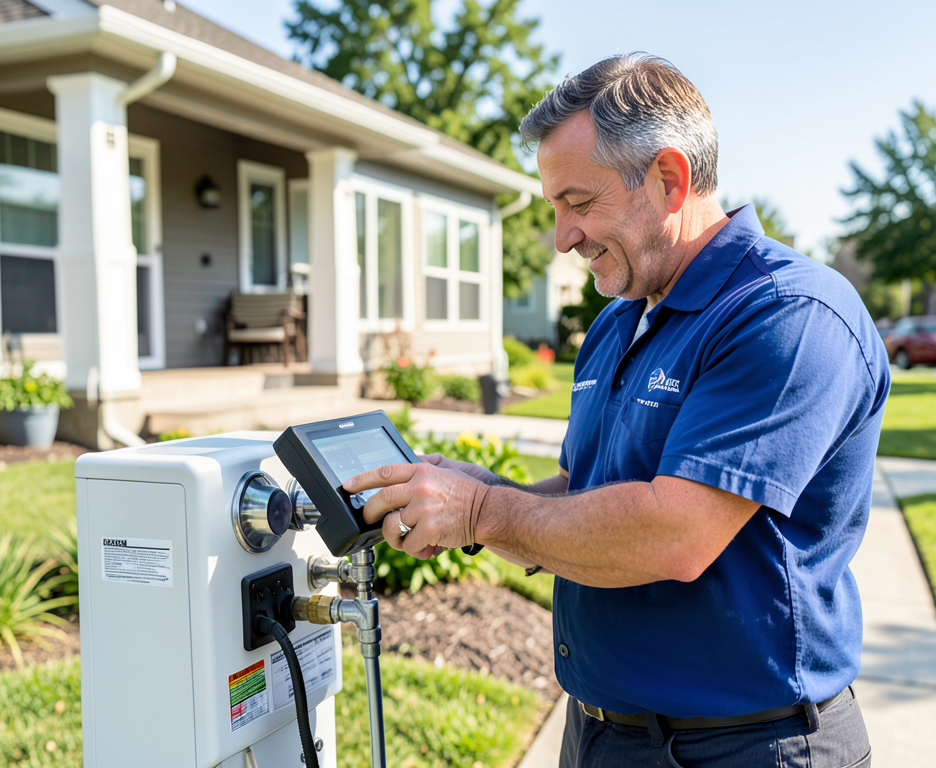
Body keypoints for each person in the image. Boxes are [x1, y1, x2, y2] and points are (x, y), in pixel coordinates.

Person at [343, 53, 889, 767]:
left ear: (669, 178)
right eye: (554, 208)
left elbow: (675, 535)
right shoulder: (616, 321)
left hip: (751, 744)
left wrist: (483, 514)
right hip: (601, 735)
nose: (563, 236)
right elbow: (586, 494)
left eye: (579, 202)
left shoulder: (787, 313)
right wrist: (480, 495)